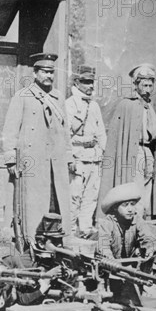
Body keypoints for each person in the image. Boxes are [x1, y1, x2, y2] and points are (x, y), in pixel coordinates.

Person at [2, 53, 73, 243]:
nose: (49, 76)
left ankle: (57, 239)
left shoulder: (58, 97)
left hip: (55, 161)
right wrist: (10, 158)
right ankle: (32, 239)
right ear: (35, 73)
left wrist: (69, 156)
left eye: (52, 72)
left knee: (55, 200)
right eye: (45, 72)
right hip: (32, 160)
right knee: (33, 203)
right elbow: (10, 130)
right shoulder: (23, 96)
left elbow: (65, 131)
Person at [98, 63, 156, 220]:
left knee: (149, 180)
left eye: (150, 85)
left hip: (148, 150)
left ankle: (144, 217)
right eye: (144, 85)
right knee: (136, 184)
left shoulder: (149, 104)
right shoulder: (126, 104)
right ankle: (135, 218)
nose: (148, 89)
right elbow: (118, 136)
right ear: (136, 85)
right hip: (133, 152)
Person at [65, 65, 107, 237]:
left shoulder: (94, 106)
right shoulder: (69, 104)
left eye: (92, 82)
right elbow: (64, 134)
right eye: (86, 82)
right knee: (74, 197)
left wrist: (104, 153)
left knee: (91, 197)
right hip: (77, 157)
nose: (90, 86)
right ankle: (70, 230)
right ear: (77, 82)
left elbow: (101, 132)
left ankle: (85, 229)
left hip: (93, 158)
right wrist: (69, 158)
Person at [97, 183, 156, 259]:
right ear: (115, 207)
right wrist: (110, 259)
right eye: (125, 205)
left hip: (129, 261)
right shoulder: (107, 222)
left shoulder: (137, 220)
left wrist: (150, 249)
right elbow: (103, 246)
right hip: (111, 263)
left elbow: (148, 238)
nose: (130, 209)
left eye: (132, 204)